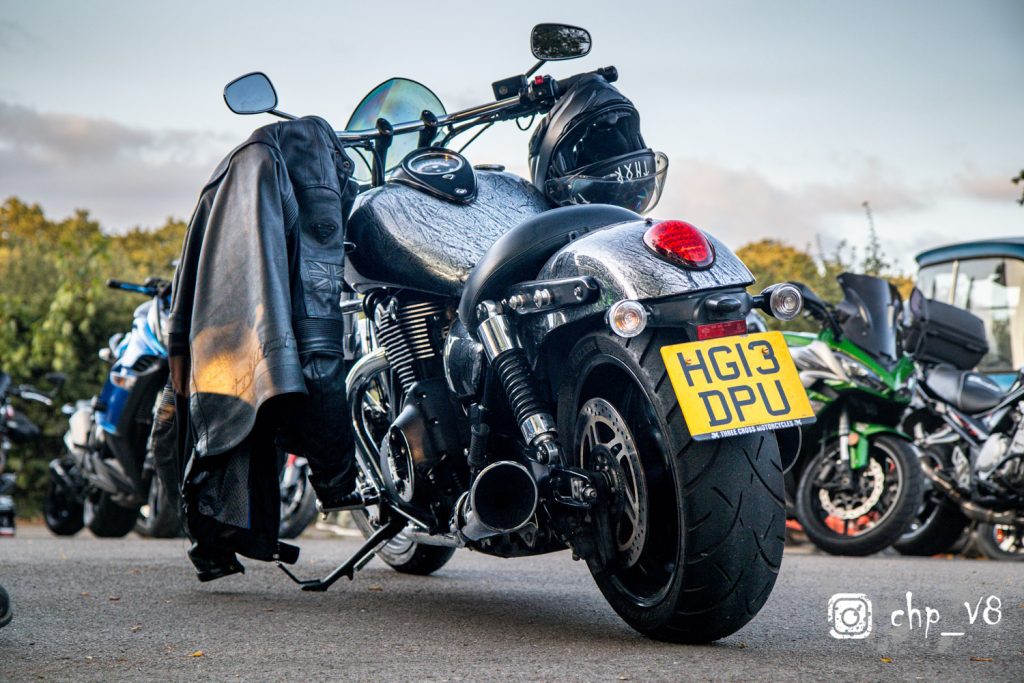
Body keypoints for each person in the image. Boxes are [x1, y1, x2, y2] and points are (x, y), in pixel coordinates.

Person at [168, 116, 360, 581]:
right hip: (264, 366)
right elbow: (318, 338)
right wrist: (337, 480)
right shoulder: (310, 162)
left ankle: (218, 535)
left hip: (216, 359)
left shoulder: (238, 168)